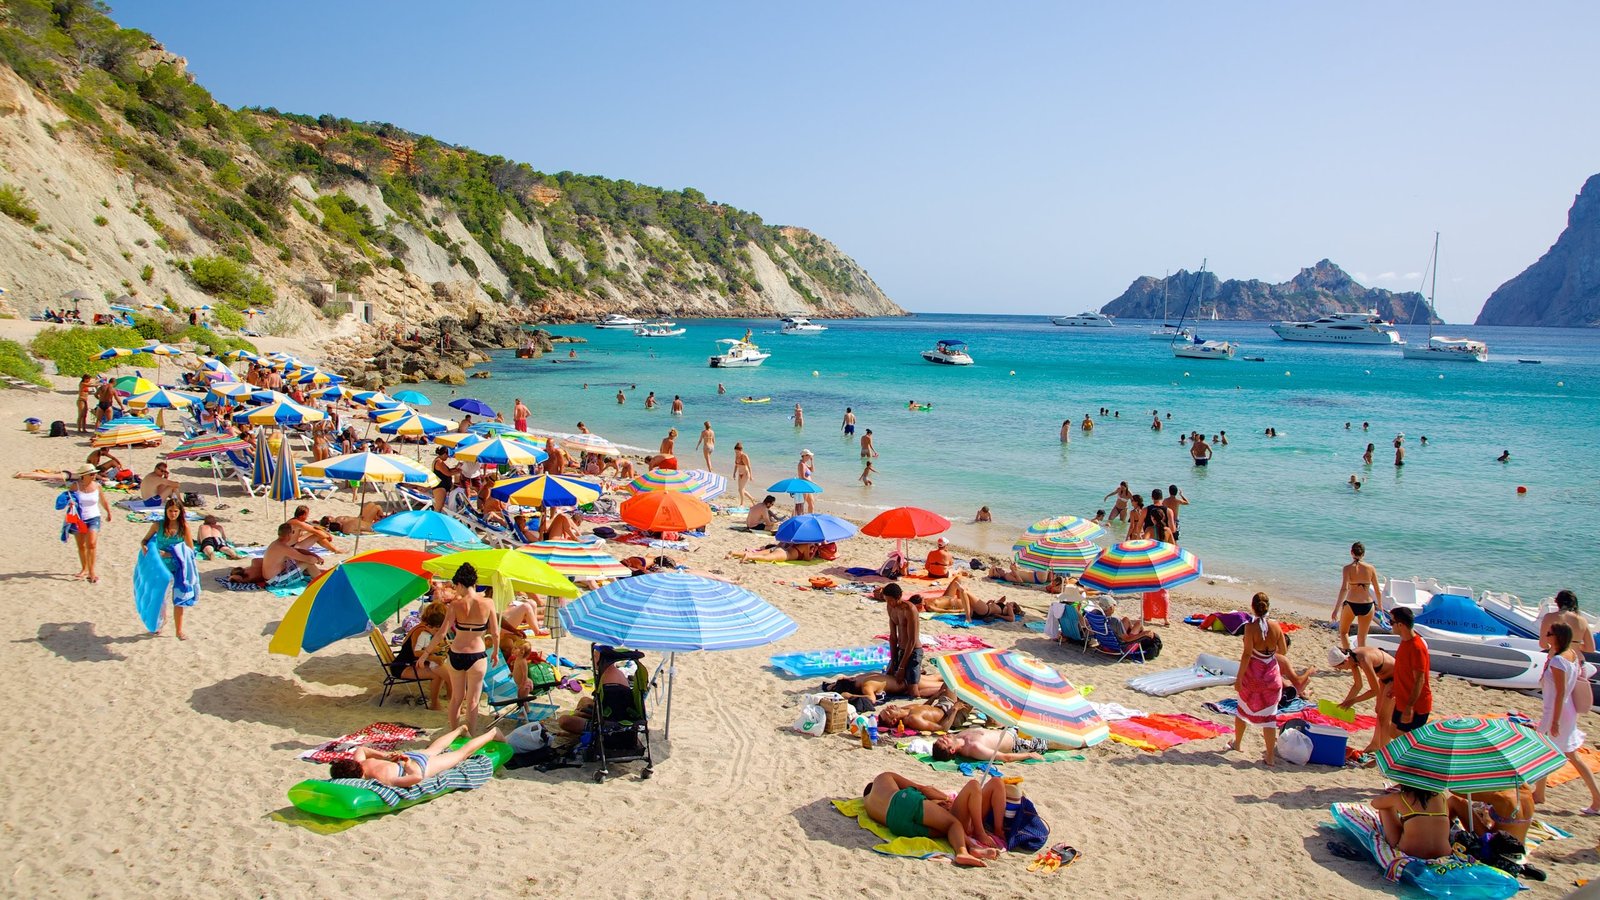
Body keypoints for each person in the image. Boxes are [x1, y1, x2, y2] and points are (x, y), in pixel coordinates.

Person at [860, 773, 998, 866]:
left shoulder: (868, 805)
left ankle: (970, 847)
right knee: (952, 823)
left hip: (896, 825)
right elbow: (923, 789)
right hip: (903, 801)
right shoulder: (882, 778)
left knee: (946, 829)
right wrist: (946, 798)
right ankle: (964, 851)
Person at [1533, 621, 1600, 814]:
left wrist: (1554, 721)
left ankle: (1597, 799)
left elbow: (1560, 692)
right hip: (1564, 709)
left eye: (1549, 633)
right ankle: (1540, 793)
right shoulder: (1570, 655)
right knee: (1553, 752)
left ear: (1558, 637)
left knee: (1563, 754)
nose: (1546, 636)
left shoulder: (1558, 661)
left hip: (1558, 711)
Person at [329, 725, 503, 787]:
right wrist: (387, 756)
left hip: (417, 767)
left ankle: (492, 733)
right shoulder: (362, 762)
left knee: (461, 754)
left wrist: (405, 765)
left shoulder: (381, 778)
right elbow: (361, 748)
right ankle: (460, 730)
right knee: (433, 749)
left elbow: (417, 777)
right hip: (407, 757)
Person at [438, 563, 498, 734]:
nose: (456, 591)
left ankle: (453, 733)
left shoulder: (455, 605)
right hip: (477, 654)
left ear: (461, 585)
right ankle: (470, 736)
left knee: (456, 698)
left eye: (456, 587)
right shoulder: (488, 602)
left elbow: (442, 632)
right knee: (473, 701)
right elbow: (495, 632)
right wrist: (495, 652)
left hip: (456, 653)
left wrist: (426, 653)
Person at [1229, 592, 1287, 765]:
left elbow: (1247, 654)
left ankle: (1237, 743)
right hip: (1271, 675)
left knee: (1242, 709)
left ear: (1253, 607)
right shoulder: (1276, 626)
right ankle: (1270, 756)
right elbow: (1283, 650)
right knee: (1270, 716)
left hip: (1253, 674)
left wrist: (1239, 678)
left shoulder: (1250, 627)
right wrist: (1268, 655)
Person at [140, 498, 198, 639]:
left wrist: (170, 553)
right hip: (161, 568)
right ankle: (160, 624)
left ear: (180, 512)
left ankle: (179, 630)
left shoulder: (184, 527)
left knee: (178, 600)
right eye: (170, 511)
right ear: (166, 511)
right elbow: (145, 539)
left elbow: (190, 549)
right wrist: (144, 546)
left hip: (179, 568)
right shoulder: (158, 525)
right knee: (159, 598)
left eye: (176, 511)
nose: (173, 514)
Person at [1328, 645, 1396, 754]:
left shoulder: (1363, 659)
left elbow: (1375, 691)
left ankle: (1385, 753)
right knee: (1378, 710)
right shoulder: (1352, 658)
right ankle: (1375, 744)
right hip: (1385, 678)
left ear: (1345, 661)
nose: (1339, 670)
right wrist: (1345, 704)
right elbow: (1357, 685)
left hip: (1396, 677)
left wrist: (1354, 701)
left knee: (1384, 717)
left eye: (1339, 667)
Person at [1371, 784, 1453, 860]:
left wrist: (1392, 796)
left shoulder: (1401, 797)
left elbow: (1374, 803)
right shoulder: (1441, 797)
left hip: (1411, 853)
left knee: (1385, 807)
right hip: (1444, 854)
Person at [228, 522, 326, 586]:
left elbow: (297, 551)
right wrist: (316, 559)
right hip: (275, 580)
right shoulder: (283, 548)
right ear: (289, 534)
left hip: (272, 576)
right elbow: (309, 560)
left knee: (298, 562)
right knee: (307, 564)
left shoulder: (276, 543)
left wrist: (316, 556)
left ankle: (321, 576)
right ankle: (320, 583)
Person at [390, 604, 449, 709]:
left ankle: (449, 696)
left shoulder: (425, 628)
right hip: (402, 666)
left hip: (412, 663)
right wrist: (434, 657)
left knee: (442, 670)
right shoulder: (420, 630)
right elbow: (415, 653)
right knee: (437, 674)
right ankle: (435, 704)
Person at [1389, 606, 1433, 742]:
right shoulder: (1405, 641)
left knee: (1403, 739)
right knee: (1392, 732)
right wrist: (1395, 687)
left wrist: (1409, 707)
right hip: (1402, 699)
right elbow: (1403, 669)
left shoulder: (1417, 647)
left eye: (1391, 622)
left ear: (1400, 625)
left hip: (1416, 705)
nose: (1390, 625)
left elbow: (1419, 680)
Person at [1331, 541, 1383, 651]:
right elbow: (1378, 590)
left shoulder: (1347, 568)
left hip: (1351, 604)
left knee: (1344, 631)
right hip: (1368, 604)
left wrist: (1336, 609)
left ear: (1351, 552)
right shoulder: (1371, 568)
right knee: (1362, 637)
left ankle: (1350, 656)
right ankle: (1362, 660)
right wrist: (1380, 606)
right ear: (1363, 554)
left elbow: (1344, 589)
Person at [62, 464, 109, 583]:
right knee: (81, 546)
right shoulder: (75, 486)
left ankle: (92, 572)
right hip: (79, 519)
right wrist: (70, 502)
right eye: (91, 474)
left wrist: (108, 512)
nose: (94, 475)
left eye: (94, 473)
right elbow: (67, 500)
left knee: (91, 544)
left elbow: (103, 500)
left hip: (94, 517)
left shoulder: (97, 486)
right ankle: (84, 568)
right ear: (84, 476)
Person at [932, 728, 1051, 763]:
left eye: (940, 739)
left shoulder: (957, 737)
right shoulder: (974, 748)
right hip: (1020, 742)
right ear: (952, 750)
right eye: (943, 742)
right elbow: (1005, 757)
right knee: (1059, 741)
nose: (943, 737)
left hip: (1011, 729)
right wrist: (1029, 754)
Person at [876, 696, 969, 734]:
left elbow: (922, 708)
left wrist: (934, 697)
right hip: (952, 717)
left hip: (941, 705)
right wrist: (955, 709)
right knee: (970, 693)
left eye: (886, 708)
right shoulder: (912, 719)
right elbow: (942, 728)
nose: (889, 707)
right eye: (889, 712)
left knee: (949, 681)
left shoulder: (904, 709)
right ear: (894, 721)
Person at [729, 542, 819, 563]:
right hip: (785, 555)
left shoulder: (796, 540)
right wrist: (814, 550)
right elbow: (807, 559)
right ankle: (748, 556)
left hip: (778, 548)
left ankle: (734, 553)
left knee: (757, 553)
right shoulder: (806, 546)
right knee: (766, 558)